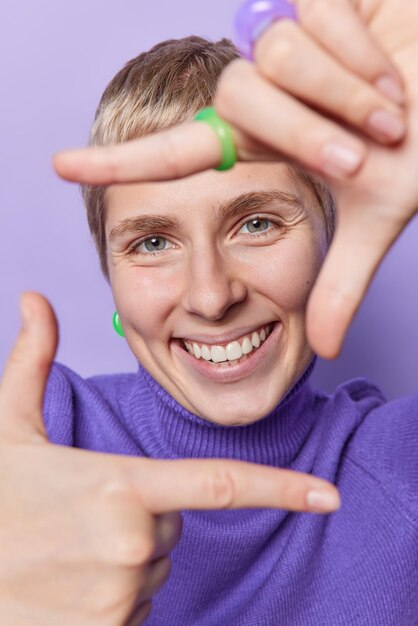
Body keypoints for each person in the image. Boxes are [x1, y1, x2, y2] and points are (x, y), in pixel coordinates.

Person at [1, 2, 418, 626]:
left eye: (257, 223)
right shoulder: (39, 439)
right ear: (111, 278)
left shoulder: (400, 465)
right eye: (152, 242)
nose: (210, 297)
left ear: (330, 235)